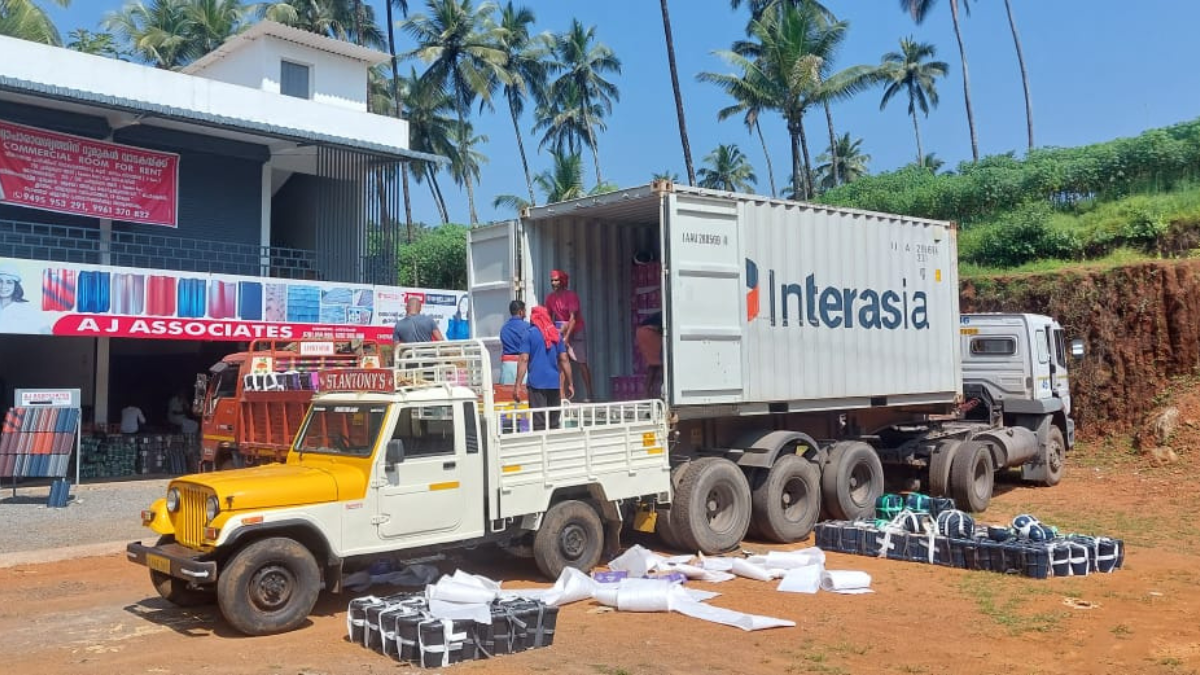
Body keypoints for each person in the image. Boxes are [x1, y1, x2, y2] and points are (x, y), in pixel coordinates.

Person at [514, 306, 574, 430]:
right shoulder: (555, 334)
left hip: (536, 385)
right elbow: (564, 359)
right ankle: (553, 447)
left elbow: (524, 359)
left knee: (539, 423)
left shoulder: (529, 334)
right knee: (553, 423)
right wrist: (570, 383)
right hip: (553, 383)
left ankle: (541, 447)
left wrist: (518, 385)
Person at [545, 269, 594, 401]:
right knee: (561, 363)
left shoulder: (571, 296)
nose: (553, 283)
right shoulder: (550, 298)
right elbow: (549, 317)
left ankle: (590, 394)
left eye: (556, 280)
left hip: (576, 329)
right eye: (552, 280)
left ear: (563, 281)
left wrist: (566, 337)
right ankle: (561, 397)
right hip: (560, 330)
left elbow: (573, 319)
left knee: (581, 362)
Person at [499, 299, 529, 385]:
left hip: (507, 366)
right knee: (524, 395)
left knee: (506, 395)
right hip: (522, 366)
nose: (525, 312)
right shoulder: (528, 327)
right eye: (525, 310)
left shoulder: (504, 328)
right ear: (520, 312)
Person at [636, 312, 665, 398]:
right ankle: (650, 393)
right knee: (656, 364)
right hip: (648, 332)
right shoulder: (668, 314)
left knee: (656, 365)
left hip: (646, 331)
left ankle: (649, 393)